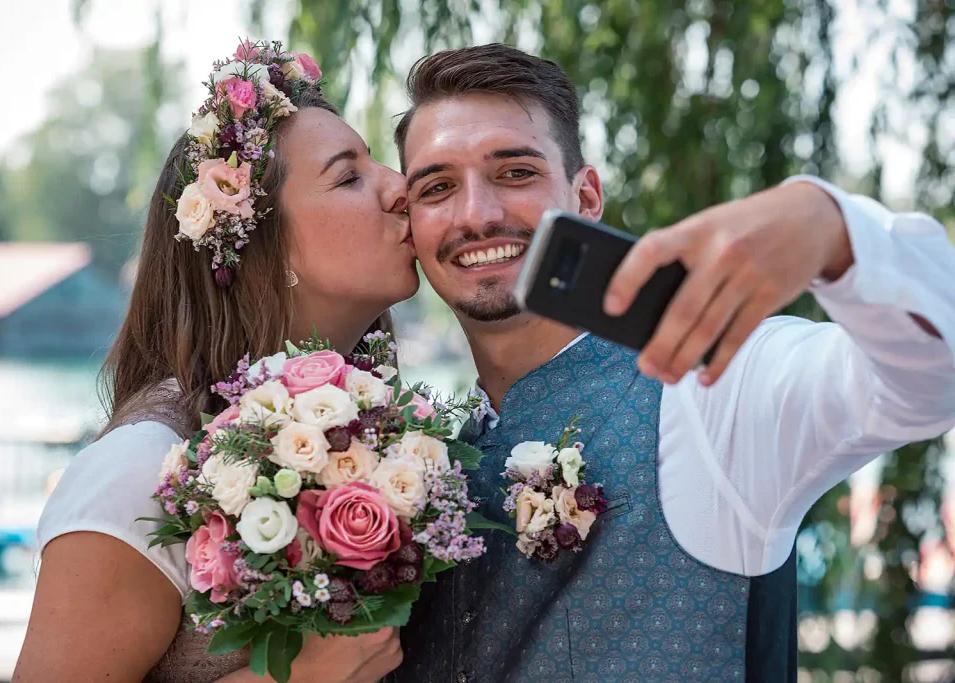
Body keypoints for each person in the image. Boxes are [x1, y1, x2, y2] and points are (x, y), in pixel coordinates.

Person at [392, 43, 955, 682]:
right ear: (409, 222)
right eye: (437, 187)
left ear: (586, 197)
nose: (476, 214)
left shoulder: (714, 388)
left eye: (516, 172)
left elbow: (932, 379)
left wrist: (831, 229)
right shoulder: (412, 458)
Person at [14, 41, 415, 683]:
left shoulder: (385, 438)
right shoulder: (141, 468)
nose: (402, 187)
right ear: (263, 247)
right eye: (350, 177)